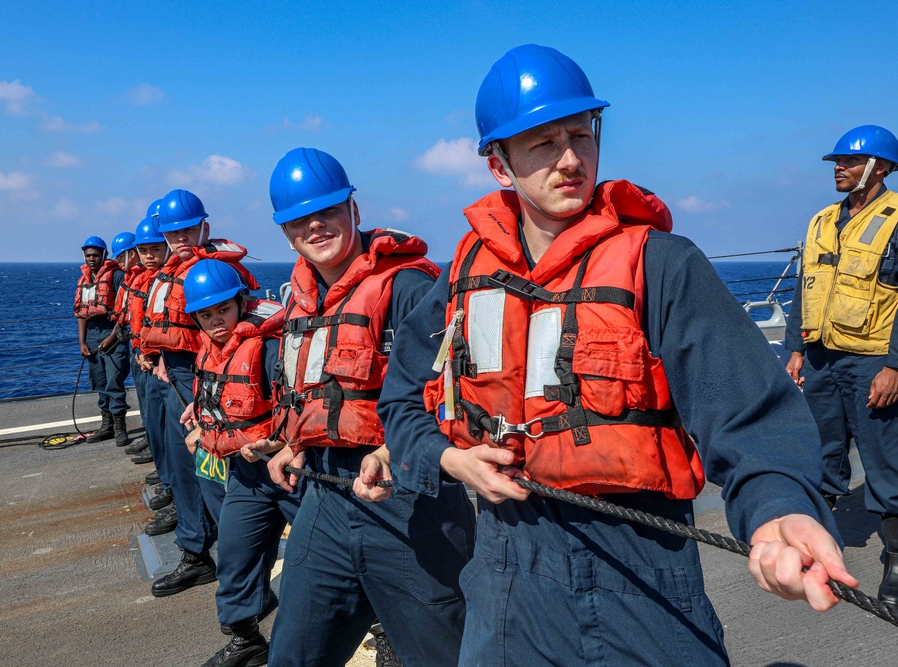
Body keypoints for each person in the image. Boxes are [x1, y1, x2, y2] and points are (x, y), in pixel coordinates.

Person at [377, 44, 855, 666]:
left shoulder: (662, 264)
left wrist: (776, 511)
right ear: (500, 165)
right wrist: (448, 459)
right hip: (504, 572)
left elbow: (749, 413)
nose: (570, 159)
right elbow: (401, 398)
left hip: (642, 569)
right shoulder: (463, 277)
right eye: (542, 144)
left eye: (581, 134)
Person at [263, 147, 476, 667]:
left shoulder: (408, 289)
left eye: (328, 211)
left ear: (353, 209)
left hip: (409, 502)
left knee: (441, 655)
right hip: (326, 497)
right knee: (292, 655)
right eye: (299, 221)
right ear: (286, 232)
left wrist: (387, 448)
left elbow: (457, 395)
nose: (316, 227)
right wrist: (292, 443)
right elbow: (309, 390)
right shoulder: (299, 299)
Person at [784, 125, 898, 605]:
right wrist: (794, 348)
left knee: (884, 460)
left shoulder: (895, 221)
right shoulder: (820, 221)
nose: (839, 168)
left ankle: (896, 559)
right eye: (837, 162)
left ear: (881, 168)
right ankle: (822, 548)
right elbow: (803, 287)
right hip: (820, 357)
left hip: (872, 360)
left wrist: (895, 366)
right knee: (822, 451)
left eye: (849, 162)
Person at [140, 188, 260, 597]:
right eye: (172, 234)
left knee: (223, 475)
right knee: (187, 465)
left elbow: (247, 329)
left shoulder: (222, 272)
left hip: (211, 379)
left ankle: (241, 565)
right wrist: (157, 355)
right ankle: (196, 553)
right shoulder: (169, 271)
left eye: (188, 230)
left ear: (204, 227)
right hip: (175, 376)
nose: (180, 240)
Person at [177, 259, 296, 667]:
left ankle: (383, 626)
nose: (216, 321)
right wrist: (201, 420)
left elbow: (299, 410)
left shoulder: (269, 350)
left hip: (290, 472)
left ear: (241, 304)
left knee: (333, 560)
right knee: (233, 554)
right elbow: (219, 399)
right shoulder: (210, 353)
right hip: (245, 476)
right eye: (206, 314)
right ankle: (246, 639)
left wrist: (276, 442)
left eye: (223, 310)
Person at [131, 209, 178, 534]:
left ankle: (178, 497)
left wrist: (158, 355)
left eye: (156, 248)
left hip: (172, 369)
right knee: (159, 433)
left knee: (175, 440)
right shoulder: (151, 282)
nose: (149, 255)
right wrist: (141, 351)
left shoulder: (177, 279)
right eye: (144, 249)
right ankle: (169, 483)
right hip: (149, 363)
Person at [74, 235, 131, 444]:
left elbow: (125, 310)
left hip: (113, 333)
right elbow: (80, 313)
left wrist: (112, 337)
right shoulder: (84, 280)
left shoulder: (116, 277)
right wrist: (82, 342)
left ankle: (119, 427)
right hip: (92, 335)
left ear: (104, 255)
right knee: (99, 381)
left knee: (114, 380)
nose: (91, 259)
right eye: (88, 255)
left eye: (95, 255)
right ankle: (106, 424)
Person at [109, 230, 141, 448]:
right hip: (137, 346)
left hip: (149, 352)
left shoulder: (142, 279)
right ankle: (153, 441)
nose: (119, 262)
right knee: (148, 403)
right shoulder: (132, 279)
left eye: (121, 257)